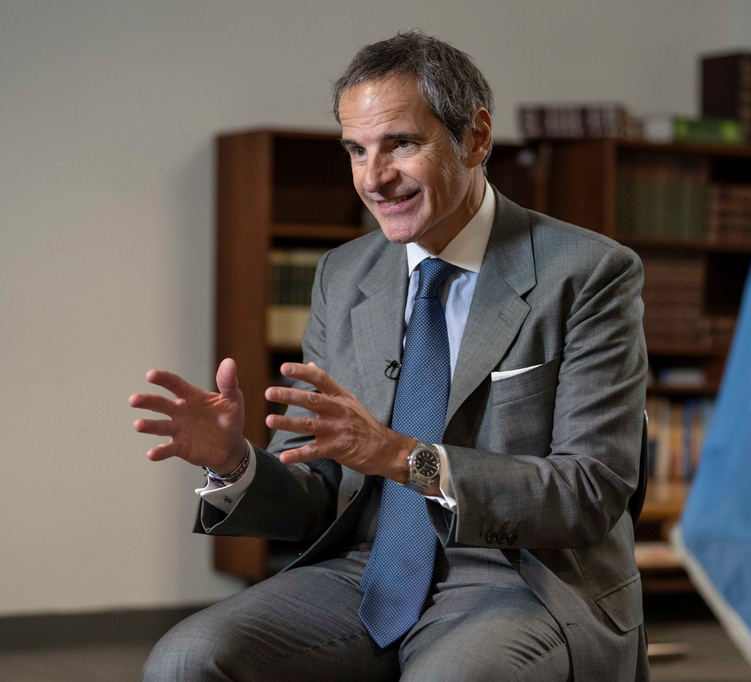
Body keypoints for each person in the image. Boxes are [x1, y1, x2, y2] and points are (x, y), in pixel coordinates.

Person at [131, 31, 648, 682]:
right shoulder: (344, 275)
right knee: (186, 661)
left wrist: (404, 458)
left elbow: (590, 492)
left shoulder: (589, 273)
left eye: (400, 143)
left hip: (522, 578)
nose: (373, 178)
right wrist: (234, 462)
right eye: (357, 150)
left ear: (477, 137)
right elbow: (319, 496)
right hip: (368, 569)